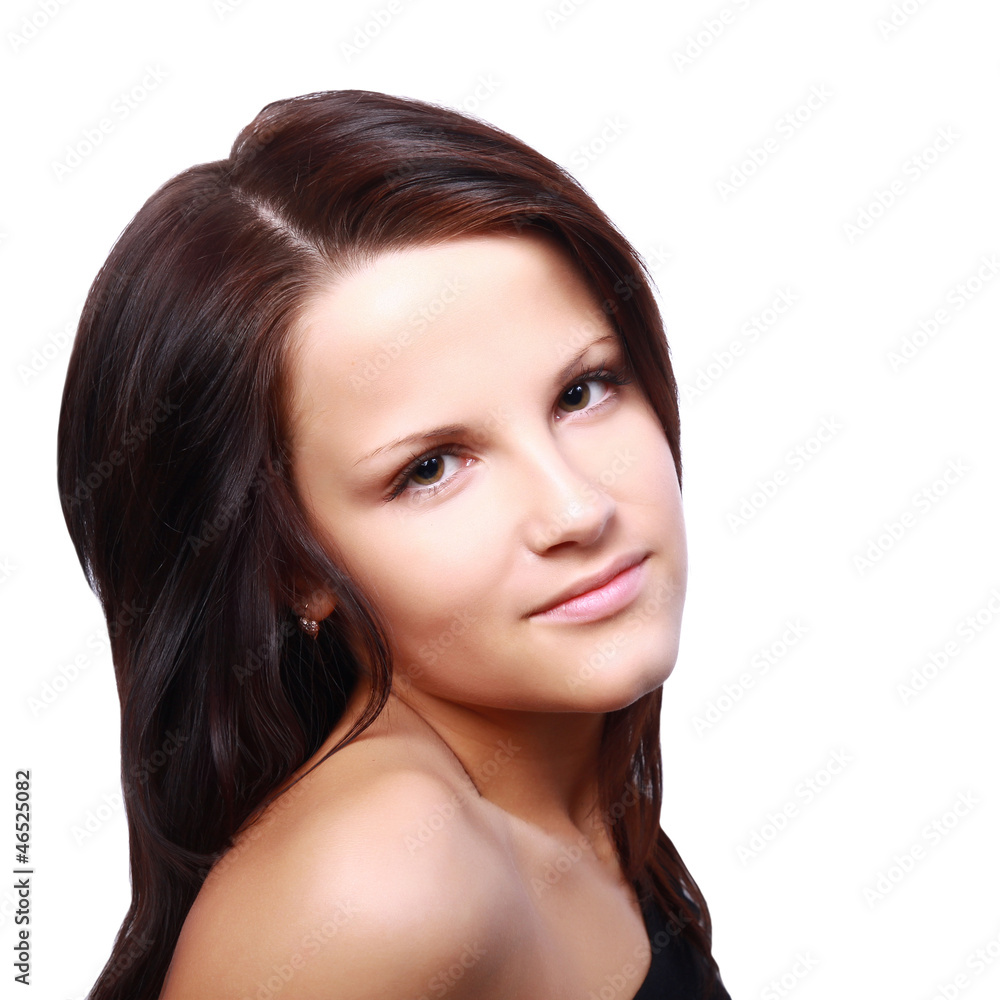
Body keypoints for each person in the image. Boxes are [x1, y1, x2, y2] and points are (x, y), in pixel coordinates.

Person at [57, 89, 732, 999]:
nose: (576, 509)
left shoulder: (558, 783)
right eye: (430, 469)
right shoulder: (380, 877)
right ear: (295, 569)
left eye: (583, 392)